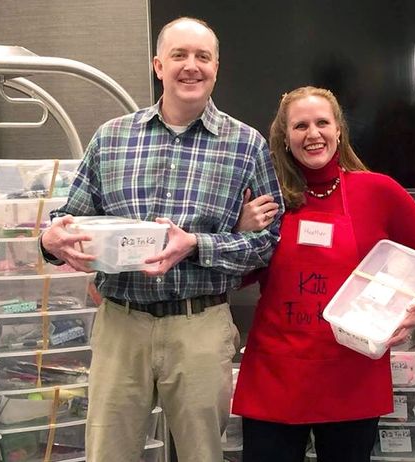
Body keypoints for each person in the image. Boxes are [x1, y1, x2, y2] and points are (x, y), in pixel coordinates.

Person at [38, 17, 283, 462]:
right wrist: (51, 238)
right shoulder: (112, 137)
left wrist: (197, 244)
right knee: (107, 452)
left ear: (216, 67)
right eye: (179, 55)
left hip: (200, 326)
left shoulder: (246, 145)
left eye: (202, 57)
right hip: (120, 323)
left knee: (202, 454)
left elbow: (269, 243)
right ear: (158, 65)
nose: (191, 66)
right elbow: (68, 218)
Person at [230, 86, 415, 461]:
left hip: (351, 374)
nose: (313, 134)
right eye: (300, 125)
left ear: (339, 130)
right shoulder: (267, 199)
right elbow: (238, 276)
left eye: (322, 123)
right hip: (276, 374)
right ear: (285, 137)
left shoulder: (377, 190)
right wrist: (240, 232)